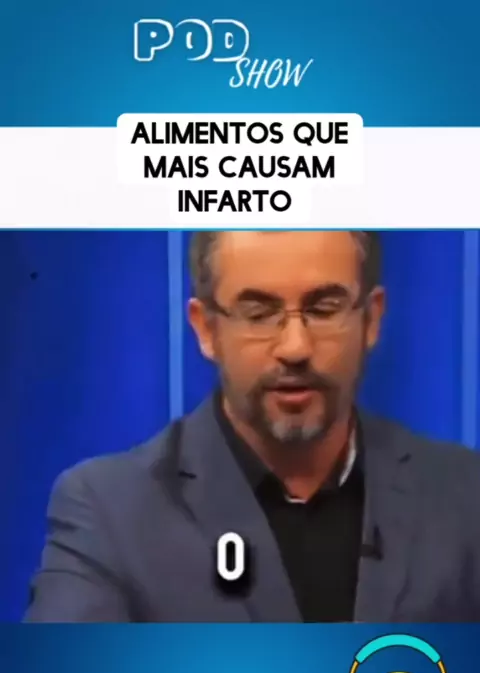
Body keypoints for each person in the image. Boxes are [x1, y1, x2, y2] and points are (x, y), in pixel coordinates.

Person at [25, 230, 480, 622]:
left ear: (372, 318)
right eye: (259, 313)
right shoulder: (110, 513)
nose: (295, 347)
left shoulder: (464, 495)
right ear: (206, 329)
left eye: (324, 308)